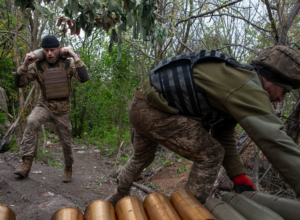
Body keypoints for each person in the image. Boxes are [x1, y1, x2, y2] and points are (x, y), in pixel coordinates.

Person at [106, 46, 300, 205]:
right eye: (284, 90)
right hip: (155, 113)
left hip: (139, 104)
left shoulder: (234, 77)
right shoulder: (248, 87)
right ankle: (186, 219)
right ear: (271, 78)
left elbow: (223, 133)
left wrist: (238, 176)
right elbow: (275, 141)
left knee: (141, 157)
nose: (281, 98)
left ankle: (117, 195)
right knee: (211, 155)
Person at [14, 35, 89, 182]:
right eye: (46, 50)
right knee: (31, 121)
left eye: (53, 50)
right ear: (42, 50)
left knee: (66, 142)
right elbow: (21, 84)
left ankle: (68, 168)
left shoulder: (68, 64)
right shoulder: (38, 65)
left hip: (63, 108)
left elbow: (84, 78)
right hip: (45, 105)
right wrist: (24, 65)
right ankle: (26, 164)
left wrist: (74, 56)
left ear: (58, 49)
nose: (49, 53)